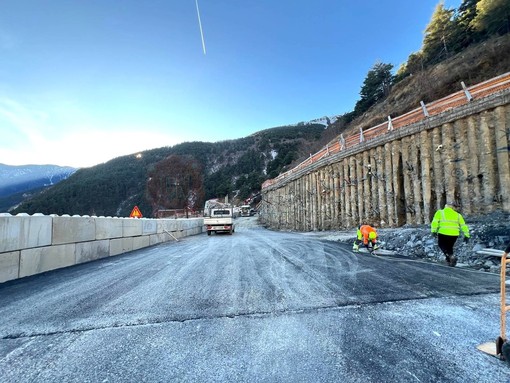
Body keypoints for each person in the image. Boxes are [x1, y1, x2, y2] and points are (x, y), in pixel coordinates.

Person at [431, 201, 470, 267]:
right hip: (454, 234)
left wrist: (433, 231)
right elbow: (463, 225)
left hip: (443, 232)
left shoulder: (440, 212)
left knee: (441, 245)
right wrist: (466, 235)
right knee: (449, 247)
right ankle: (449, 260)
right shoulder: (458, 215)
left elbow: (435, 222)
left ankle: (450, 257)